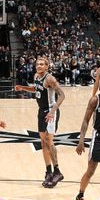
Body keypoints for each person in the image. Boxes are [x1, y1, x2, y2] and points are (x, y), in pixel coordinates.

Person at [14, 56, 66, 188]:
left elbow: (62, 95)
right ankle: (48, 172)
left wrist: (53, 111)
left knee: (49, 141)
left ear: (47, 66)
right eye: (37, 64)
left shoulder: (50, 78)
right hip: (41, 111)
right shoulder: (37, 76)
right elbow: (36, 90)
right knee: (43, 142)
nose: (39, 66)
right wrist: (23, 88)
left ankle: (57, 171)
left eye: (42, 64)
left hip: (50, 111)